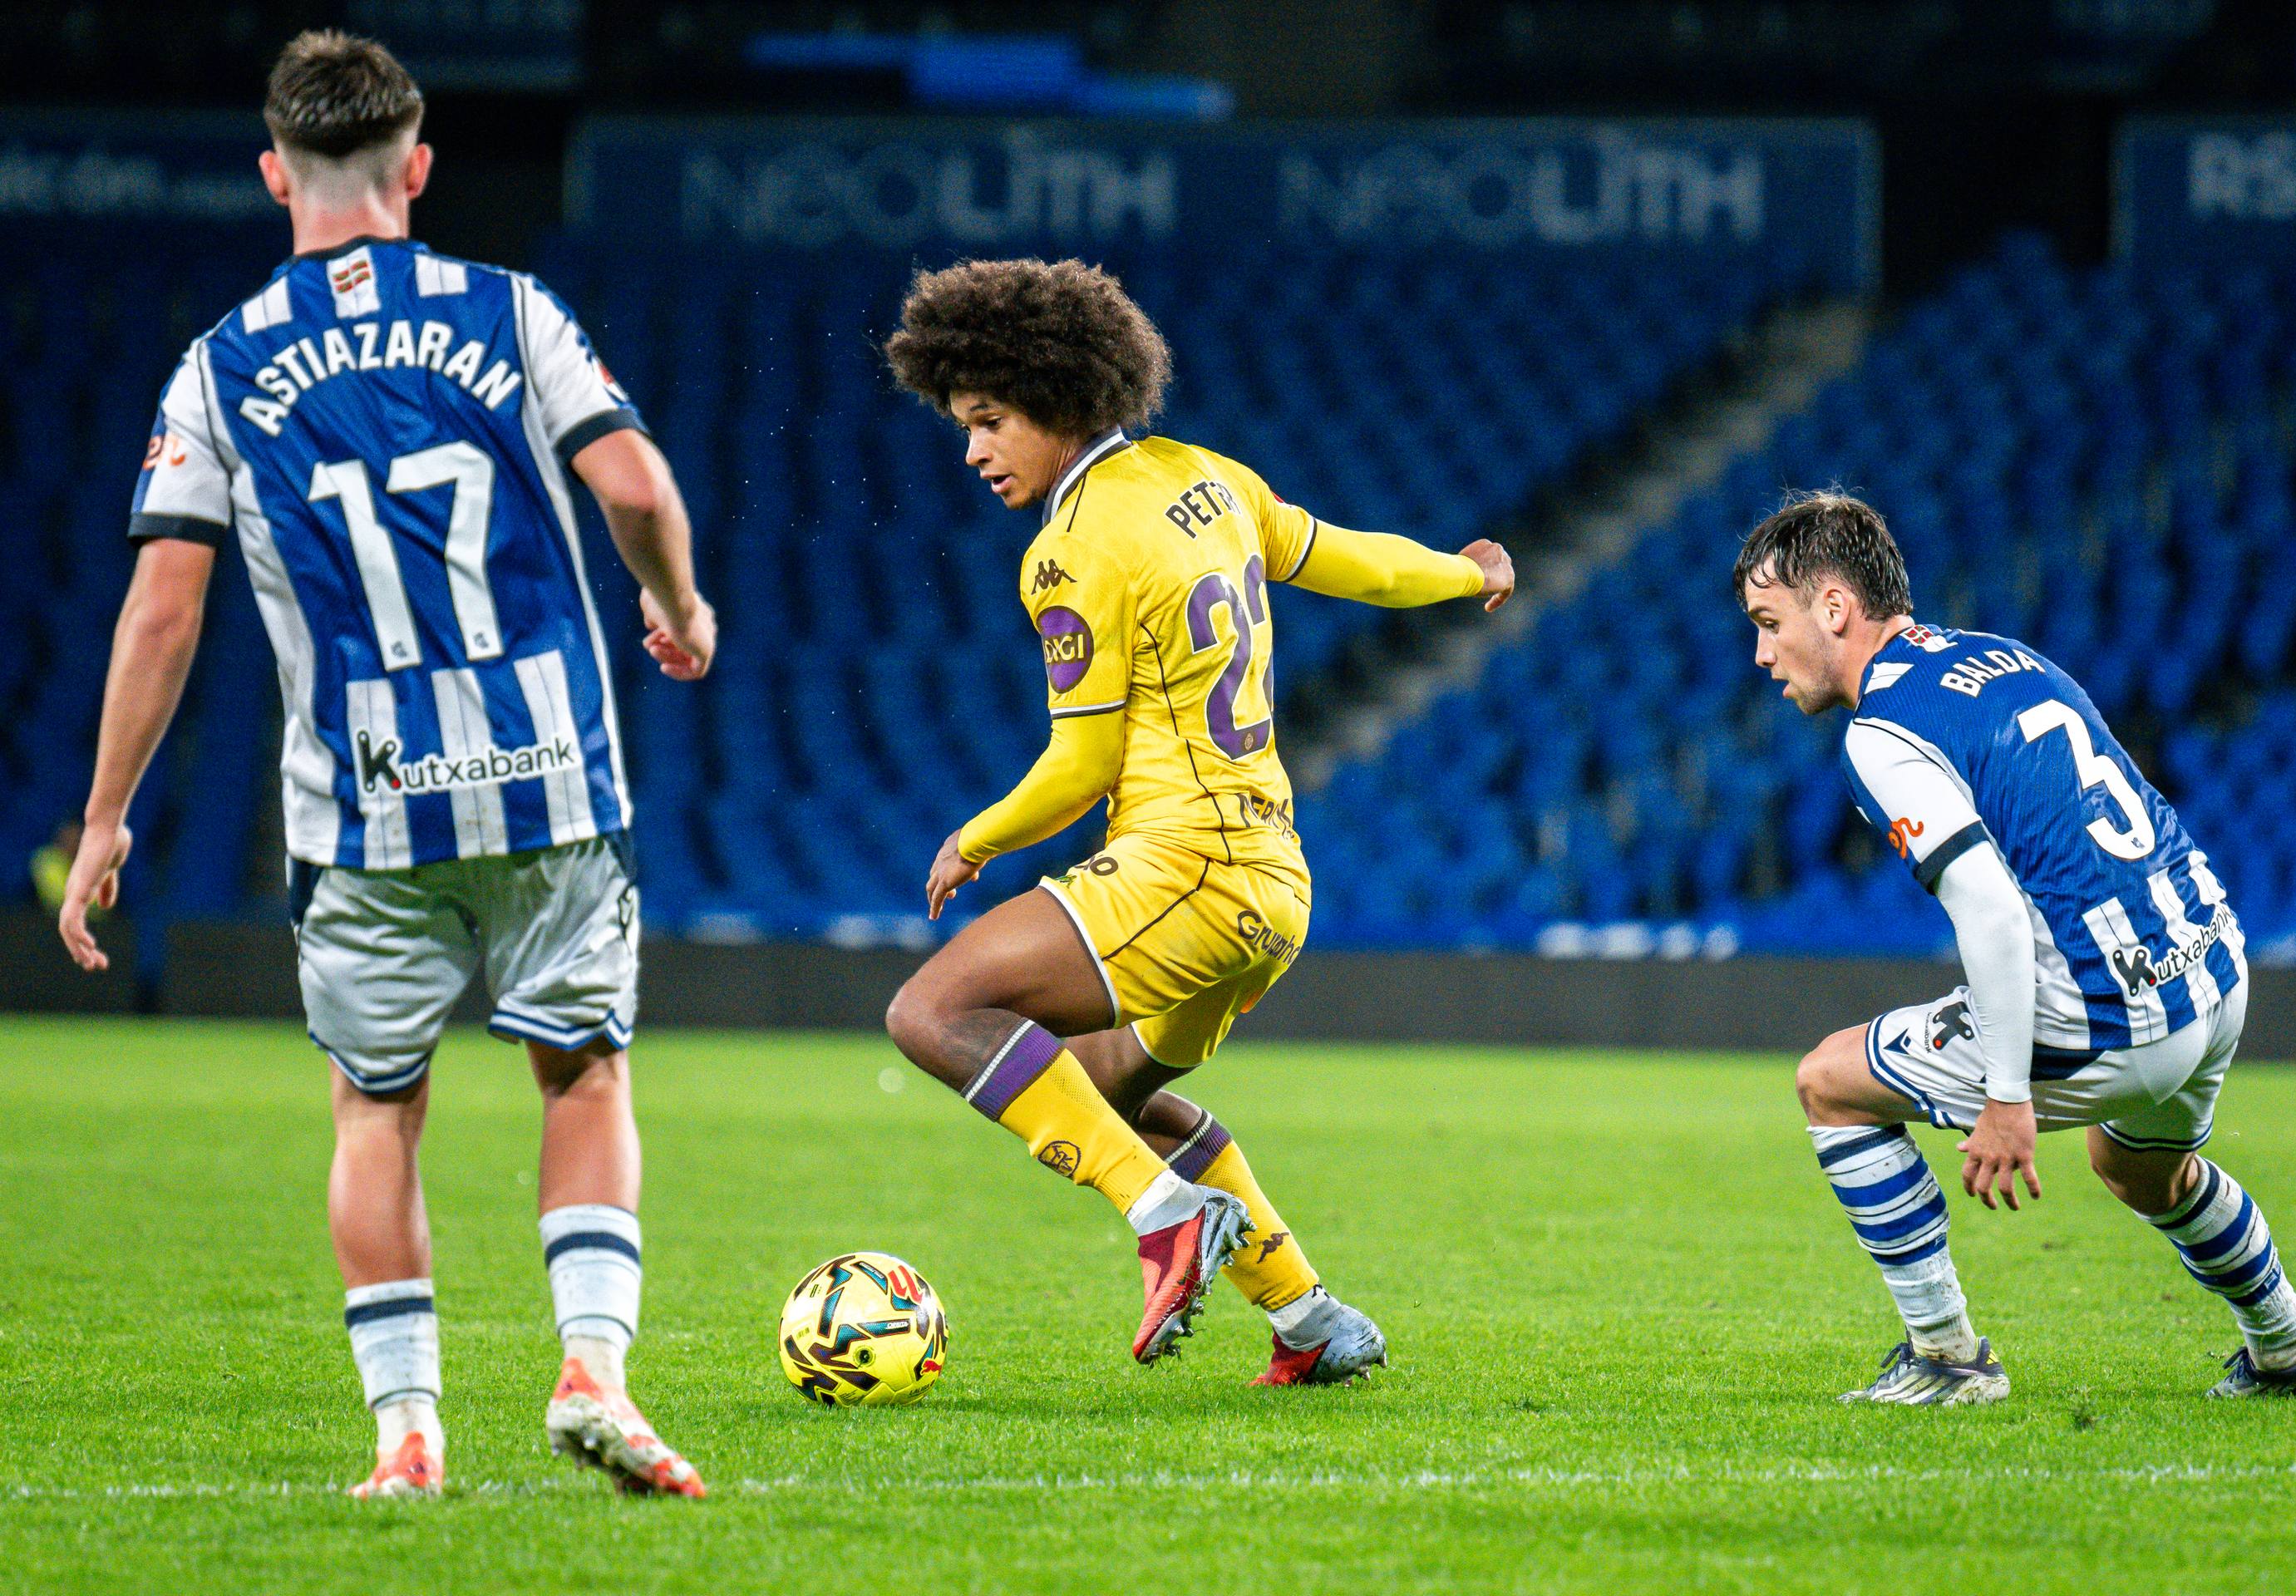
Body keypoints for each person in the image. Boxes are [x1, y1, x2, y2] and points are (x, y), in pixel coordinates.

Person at [57, 31, 717, 1496]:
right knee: (583, 1077)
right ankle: (593, 1371)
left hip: (360, 806)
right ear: (416, 168)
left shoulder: (218, 367)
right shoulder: (513, 313)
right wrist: (679, 608)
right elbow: (637, 484)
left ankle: (406, 1435)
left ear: (271, 176)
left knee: (376, 1106)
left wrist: (106, 816)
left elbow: (164, 601)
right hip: (548, 775)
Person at [880, 258, 1515, 1382]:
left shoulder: (1070, 552)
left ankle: (1166, 1218)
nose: (973, 451)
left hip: (1184, 867)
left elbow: (1084, 765)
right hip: (1273, 887)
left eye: (990, 421)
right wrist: (1463, 575)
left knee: (933, 1010)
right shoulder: (1209, 480)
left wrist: (975, 837)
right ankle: (1314, 1323)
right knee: (1108, 1088)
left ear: (1061, 397)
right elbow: (1355, 563)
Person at [1733, 490, 2296, 1404]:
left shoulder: (1882, 731)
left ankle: (1946, 1358)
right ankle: (2290, 1350)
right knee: (2140, 1165)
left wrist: (2007, 1097)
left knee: (1829, 1083)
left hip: (2113, 1012)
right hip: (2212, 962)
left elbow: (1987, 910)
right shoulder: (2000, 656)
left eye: (1767, 621)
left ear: (1833, 608)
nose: (1761, 653)